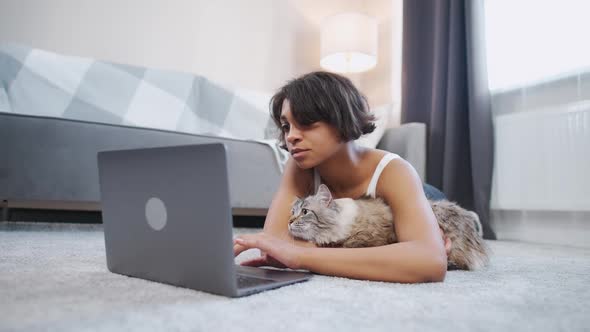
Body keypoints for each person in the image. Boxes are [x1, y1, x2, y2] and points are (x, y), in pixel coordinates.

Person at [233, 71, 451, 283]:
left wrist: (300, 256)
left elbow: (430, 261)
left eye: (306, 123)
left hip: (427, 193)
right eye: (286, 126)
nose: (291, 136)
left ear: (342, 118)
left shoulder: (395, 170)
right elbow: (276, 242)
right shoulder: (299, 166)